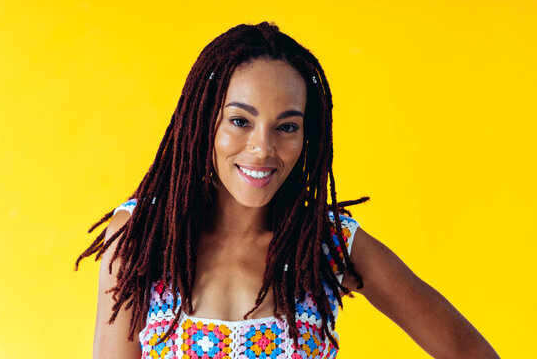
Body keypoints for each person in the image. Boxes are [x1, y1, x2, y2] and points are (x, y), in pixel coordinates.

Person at [75, 22, 499, 358]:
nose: (262, 148)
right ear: (204, 121)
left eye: (287, 127)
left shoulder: (328, 245)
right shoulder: (142, 237)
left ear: (306, 136)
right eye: (241, 121)